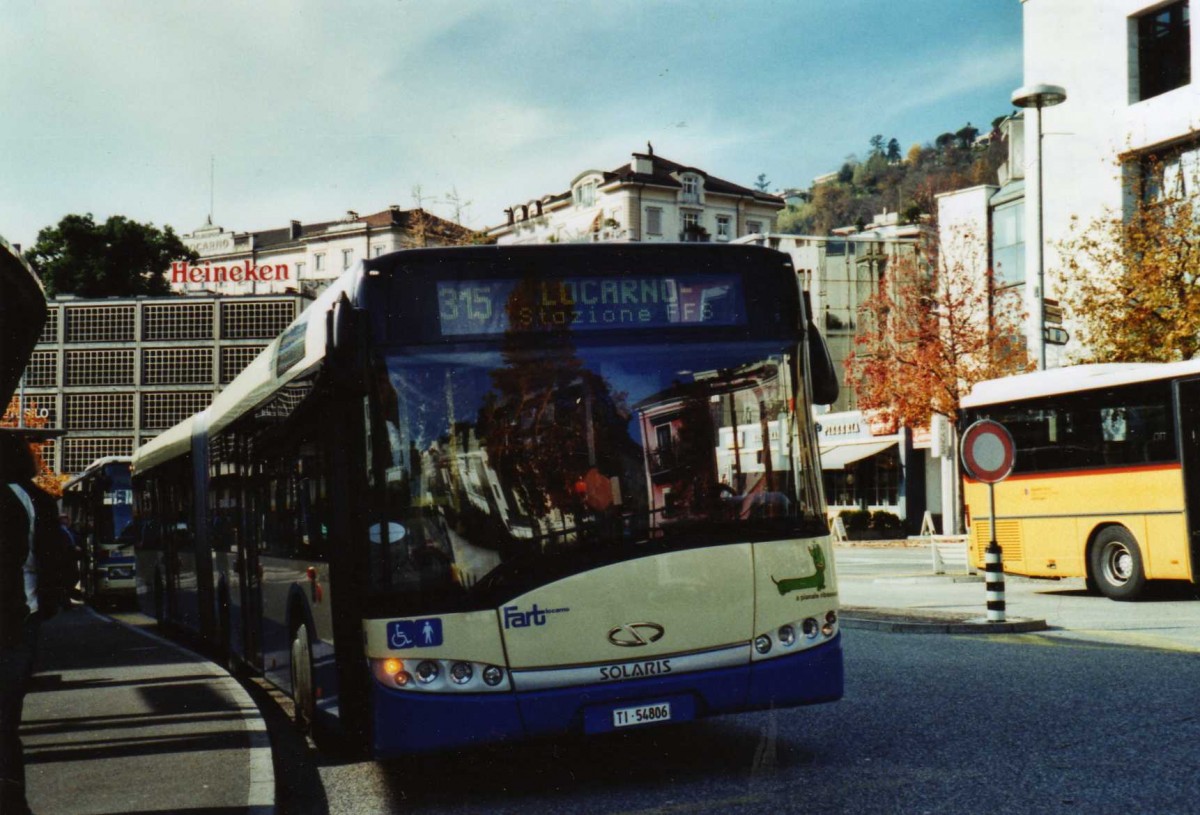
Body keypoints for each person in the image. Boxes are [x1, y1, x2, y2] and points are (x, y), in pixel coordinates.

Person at [0, 432, 44, 815]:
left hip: (11, 620)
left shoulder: (11, 500)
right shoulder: (33, 499)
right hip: (21, 620)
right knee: (6, 726)